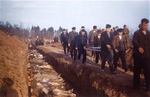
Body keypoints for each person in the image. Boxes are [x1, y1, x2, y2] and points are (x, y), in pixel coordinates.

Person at [133, 18, 150, 91]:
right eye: (144, 25)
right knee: (137, 71)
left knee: (148, 71)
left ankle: (148, 86)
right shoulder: (137, 33)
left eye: (147, 25)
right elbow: (134, 41)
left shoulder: (149, 33)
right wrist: (138, 47)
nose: (145, 26)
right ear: (141, 25)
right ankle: (136, 86)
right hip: (138, 56)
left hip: (147, 56)